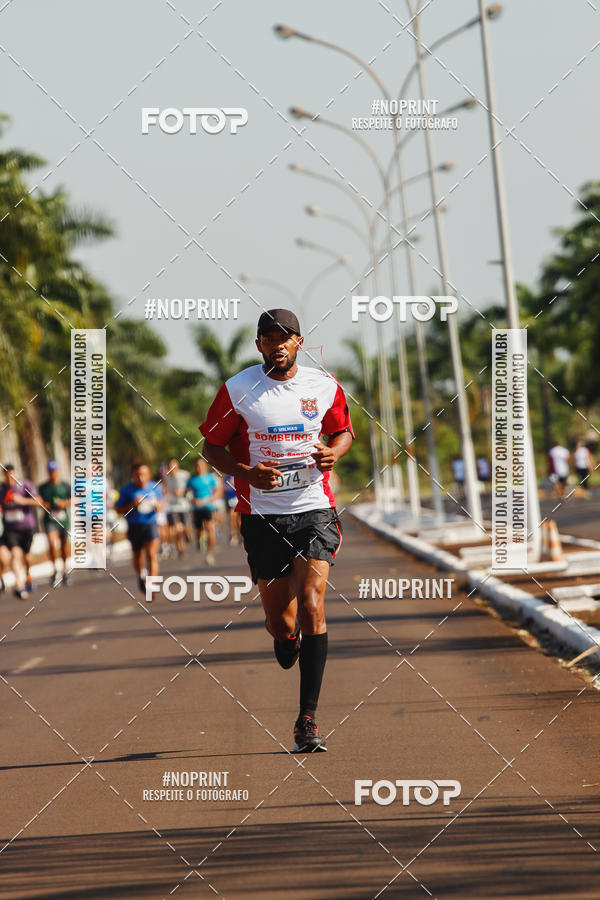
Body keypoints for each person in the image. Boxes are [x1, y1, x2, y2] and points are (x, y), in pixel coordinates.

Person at [200, 308, 354, 753]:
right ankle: (287, 641)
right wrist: (247, 472)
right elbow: (212, 445)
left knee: (312, 603)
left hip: (313, 510)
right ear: (260, 345)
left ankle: (307, 720)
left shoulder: (323, 386)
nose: (278, 345)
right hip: (261, 516)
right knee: (280, 621)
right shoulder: (239, 390)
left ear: (299, 343)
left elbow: (344, 433)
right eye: (269, 338)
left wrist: (333, 453)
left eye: (286, 338)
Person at [115, 463, 163, 594]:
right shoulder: (126, 490)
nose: (141, 478)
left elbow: (161, 503)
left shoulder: (155, 487)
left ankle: (152, 586)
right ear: (133, 476)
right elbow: (118, 509)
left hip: (150, 524)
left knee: (152, 555)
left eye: (143, 474)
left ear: (148, 475)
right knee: (137, 557)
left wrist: (158, 505)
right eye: (137, 475)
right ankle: (141, 575)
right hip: (134, 526)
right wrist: (132, 505)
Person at [0, 464, 41, 600]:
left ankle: (28, 576)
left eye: (12, 475)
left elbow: (39, 501)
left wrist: (22, 501)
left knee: (26, 557)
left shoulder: (25, 485)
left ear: (16, 474)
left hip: (27, 527)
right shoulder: (1, 489)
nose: (10, 479)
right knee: (15, 554)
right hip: (11, 529)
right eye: (7, 476)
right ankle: (20, 585)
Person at [38, 460, 71, 587]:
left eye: (54, 471)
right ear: (48, 472)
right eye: (50, 471)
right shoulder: (43, 487)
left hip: (63, 519)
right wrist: (43, 504)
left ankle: (64, 569)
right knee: (52, 544)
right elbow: (38, 499)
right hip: (49, 520)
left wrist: (64, 503)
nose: (53, 473)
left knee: (63, 546)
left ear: (57, 471)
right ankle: (55, 570)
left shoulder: (65, 486)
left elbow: (75, 498)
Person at [186, 458, 220, 565]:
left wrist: (211, 499)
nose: (198, 467)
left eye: (200, 464)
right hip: (196, 509)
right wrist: (192, 499)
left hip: (208, 507)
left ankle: (210, 555)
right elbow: (187, 493)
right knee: (198, 532)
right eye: (196, 465)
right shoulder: (191, 480)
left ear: (205, 465)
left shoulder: (210, 477)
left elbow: (218, 491)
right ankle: (201, 539)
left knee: (211, 529)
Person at [165, 458, 191, 558]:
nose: (172, 468)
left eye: (174, 466)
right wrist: (169, 492)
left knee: (185, 529)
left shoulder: (184, 475)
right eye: (170, 467)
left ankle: (188, 536)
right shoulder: (167, 477)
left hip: (184, 505)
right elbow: (165, 488)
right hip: (172, 506)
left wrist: (183, 492)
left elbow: (191, 486)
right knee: (176, 529)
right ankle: (181, 549)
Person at [223, 473, 240, 545]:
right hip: (229, 499)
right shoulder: (226, 477)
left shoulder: (238, 475)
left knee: (238, 519)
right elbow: (224, 489)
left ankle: (240, 535)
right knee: (232, 517)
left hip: (237, 498)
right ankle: (233, 534)